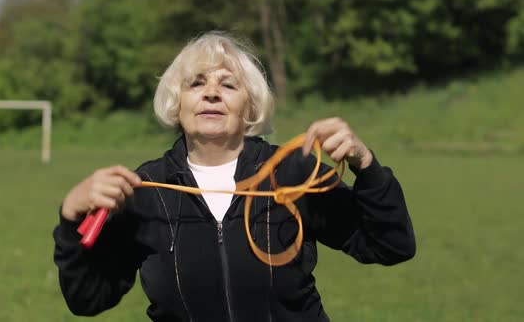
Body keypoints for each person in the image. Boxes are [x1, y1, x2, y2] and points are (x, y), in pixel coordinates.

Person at [53, 31, 416, 321]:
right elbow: (87, 298)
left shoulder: (294, 172)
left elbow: (390, 245)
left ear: (251, 106)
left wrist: (365, 164)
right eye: (196, 84)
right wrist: (71, 217)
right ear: (175, 104)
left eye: (228, 85)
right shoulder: (143, 190)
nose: (212, 92)